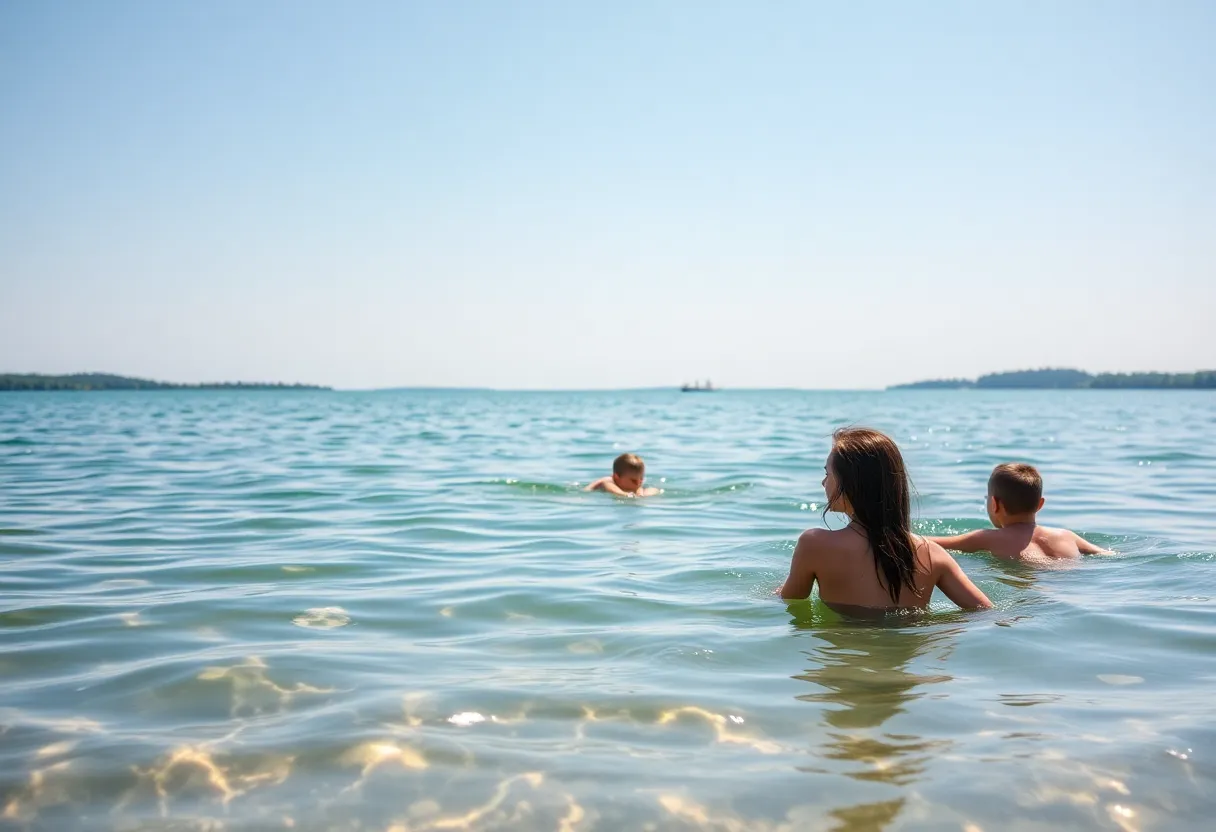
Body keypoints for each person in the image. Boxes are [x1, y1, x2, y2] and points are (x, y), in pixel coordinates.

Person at [779, 427, 991, 612]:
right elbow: (985, 612)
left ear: (851, 484)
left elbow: (790, 599)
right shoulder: (932, 553)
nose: (823, 482)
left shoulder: (814, 544)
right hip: (909, 656)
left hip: (844, 654)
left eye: (828, 473)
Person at [928, 463, 1110, 562]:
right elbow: (1107, 556)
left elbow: (927, 543)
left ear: (994, 504)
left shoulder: (987, 538)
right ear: (1040, 504)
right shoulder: (1067, 536)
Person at [584, 453, 661, 497]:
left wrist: (641, 493)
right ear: (617, 477)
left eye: (641, 479)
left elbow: (653, 490)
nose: (638, 483)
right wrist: (625, 494)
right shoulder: (608, 481)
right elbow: (606, 485)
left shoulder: (638, 486)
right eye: (633, 480)